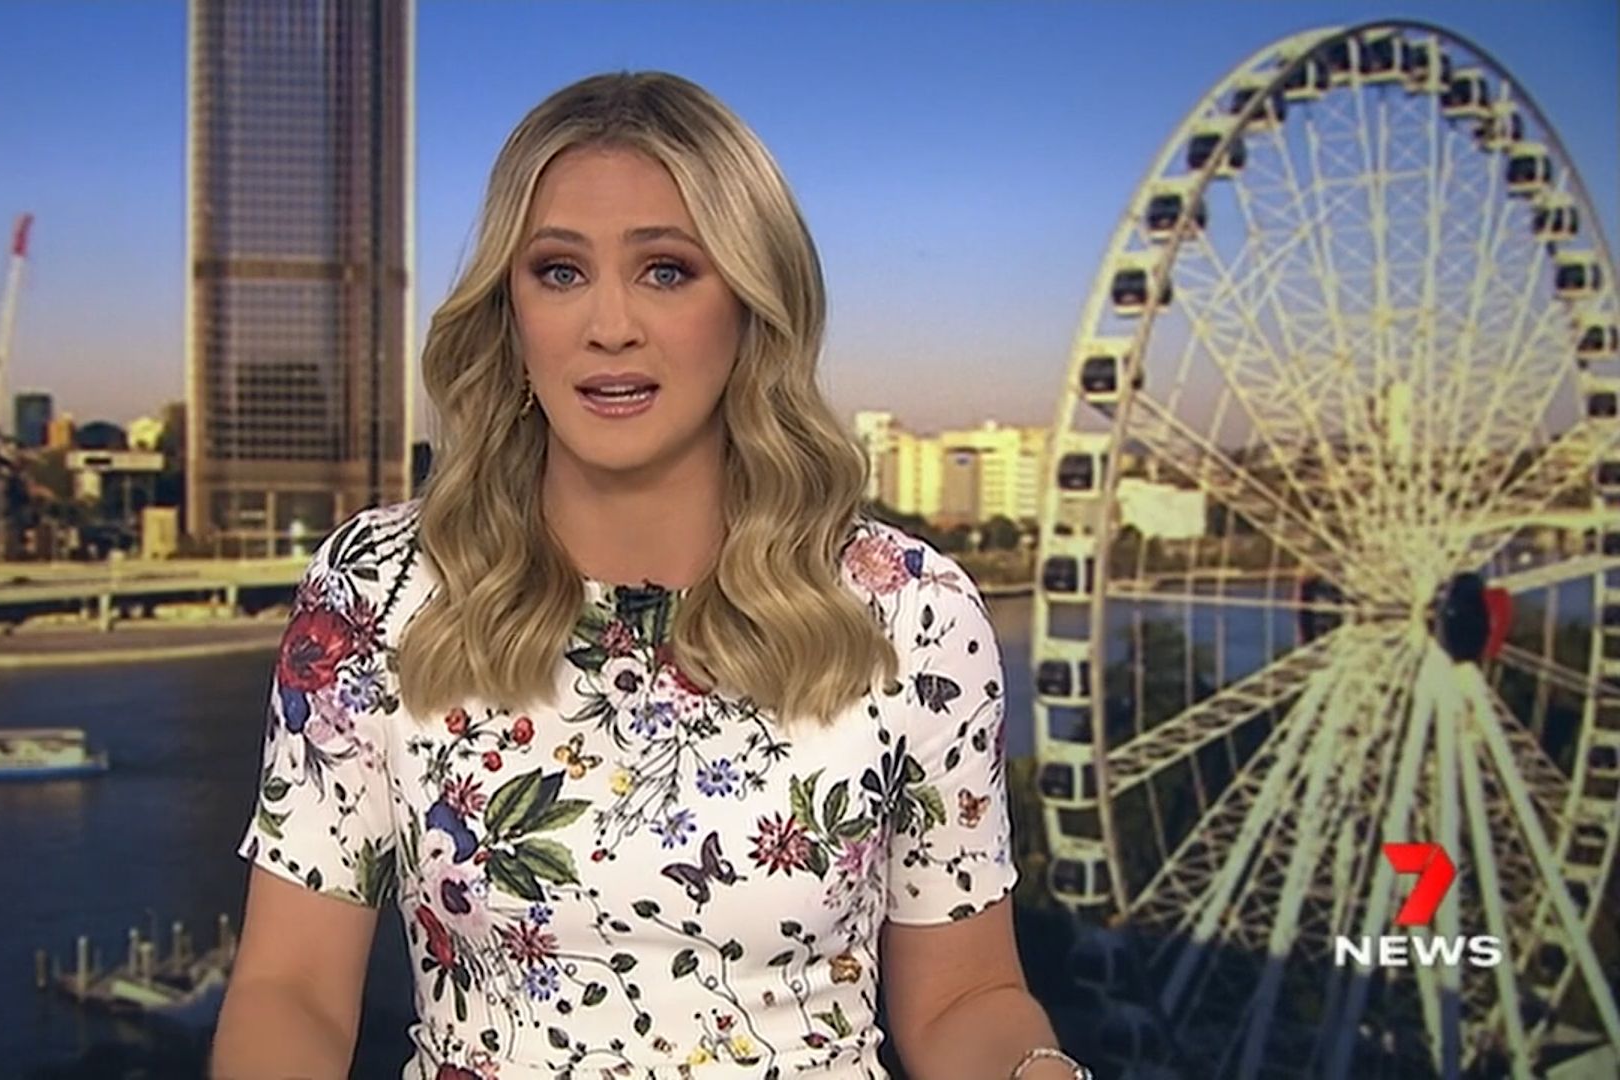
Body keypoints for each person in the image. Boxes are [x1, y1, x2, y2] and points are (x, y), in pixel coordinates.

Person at [210, 71, 1087, 1080]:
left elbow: (966, 999)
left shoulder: (912, 615)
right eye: (559, 272)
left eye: (666, 271)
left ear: (752, 303)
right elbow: (291, 989)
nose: (610, 325)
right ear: (510, 311)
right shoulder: (378, 591)